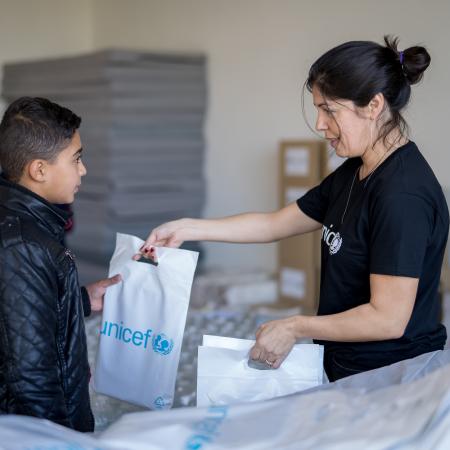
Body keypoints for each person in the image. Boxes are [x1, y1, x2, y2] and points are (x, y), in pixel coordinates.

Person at [136, 36, 449, 382]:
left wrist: (295, 326)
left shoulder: (402, 196)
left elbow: (387, 318)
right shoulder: (355, 171)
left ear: (373, 106)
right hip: (347, 366)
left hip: (390, 378)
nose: (319, 124)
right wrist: (187, 228)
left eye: (329, 109)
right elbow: (273, 225)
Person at [0, 97, 121, 431]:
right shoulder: (22, 244)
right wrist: (62, 440)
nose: (83, 170)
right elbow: (31, 375)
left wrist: (81, 299)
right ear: (39, 170)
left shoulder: (26, 223)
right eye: (76, 159)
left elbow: (18, 316)